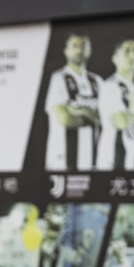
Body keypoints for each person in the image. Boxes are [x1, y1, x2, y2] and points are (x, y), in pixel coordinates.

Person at [44, 32, 102, 171]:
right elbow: (64, 118)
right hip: (62, 161)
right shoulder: (58, 78)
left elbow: (105, 117)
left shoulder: (97, 81)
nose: (79, 50)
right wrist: (92, 116)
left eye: (83, 46)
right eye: (75, 46)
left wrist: (76, 110)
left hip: (93, 161)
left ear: (89, 50)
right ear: (66, 51)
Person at [96, 38, 134, 170]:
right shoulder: (109, 86)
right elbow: (122, 121)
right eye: (127, 51)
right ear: (115, 58)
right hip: (113, 158)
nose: (132, 55)